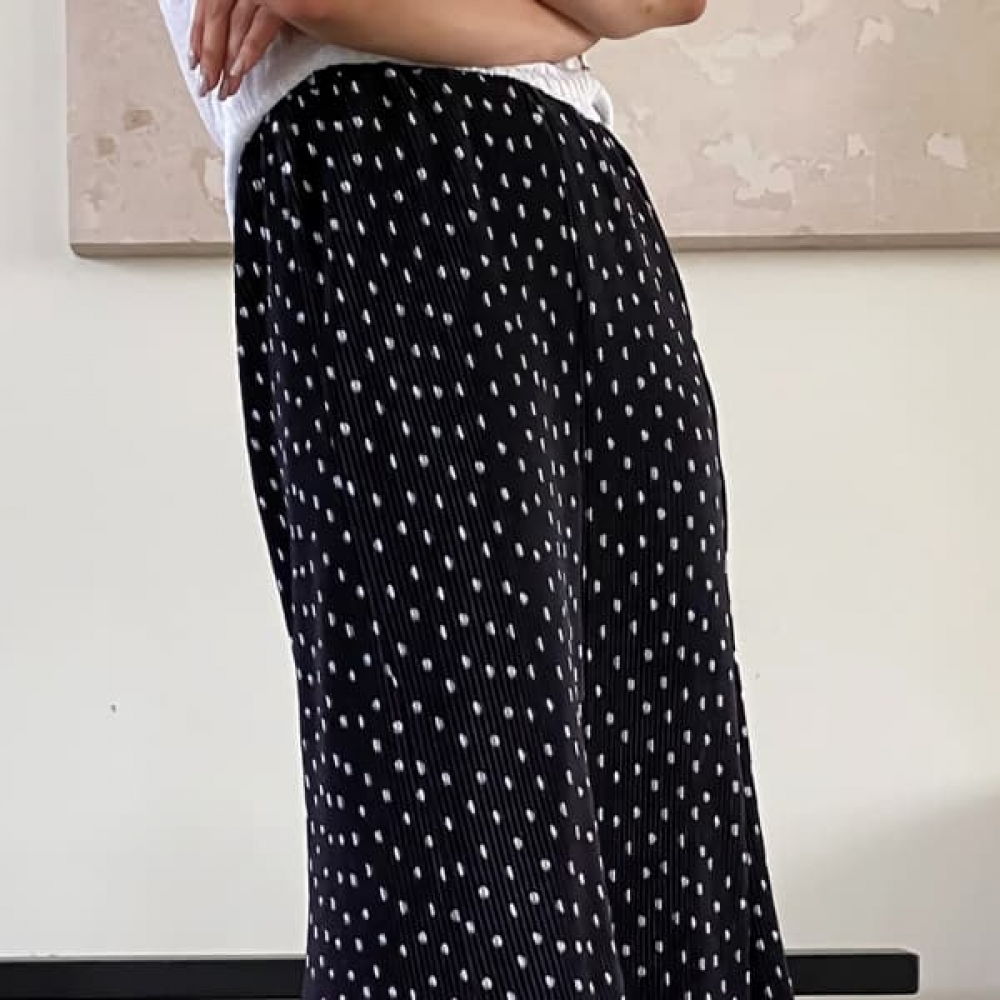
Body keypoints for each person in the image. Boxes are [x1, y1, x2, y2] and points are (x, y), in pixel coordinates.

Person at [157, 2, 795, 998]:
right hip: (389, 189)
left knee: (669, 807)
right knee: (461, 827)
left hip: (590, 215)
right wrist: (560, 28)